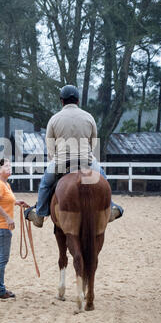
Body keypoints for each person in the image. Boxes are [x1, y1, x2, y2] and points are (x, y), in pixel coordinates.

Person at [25, 85, 124, 227]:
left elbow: (50, 146)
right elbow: (93, 142)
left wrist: (54, 158)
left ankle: (40, 215)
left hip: (61, 162)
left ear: (62, 101)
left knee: (45, 184)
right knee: (103, 180)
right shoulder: (89, 117)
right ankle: (109, 209)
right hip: (86, 161)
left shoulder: (54, 119)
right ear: (77, 101)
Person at [0, 158, 29, 299]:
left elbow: (4, 201)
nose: (9, 167)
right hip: (1, 226)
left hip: (1, 226)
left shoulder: (5, 185)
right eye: (6, 166)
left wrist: (17, 203)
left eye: (9, 165)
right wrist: (7, 217)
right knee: (2, 259)